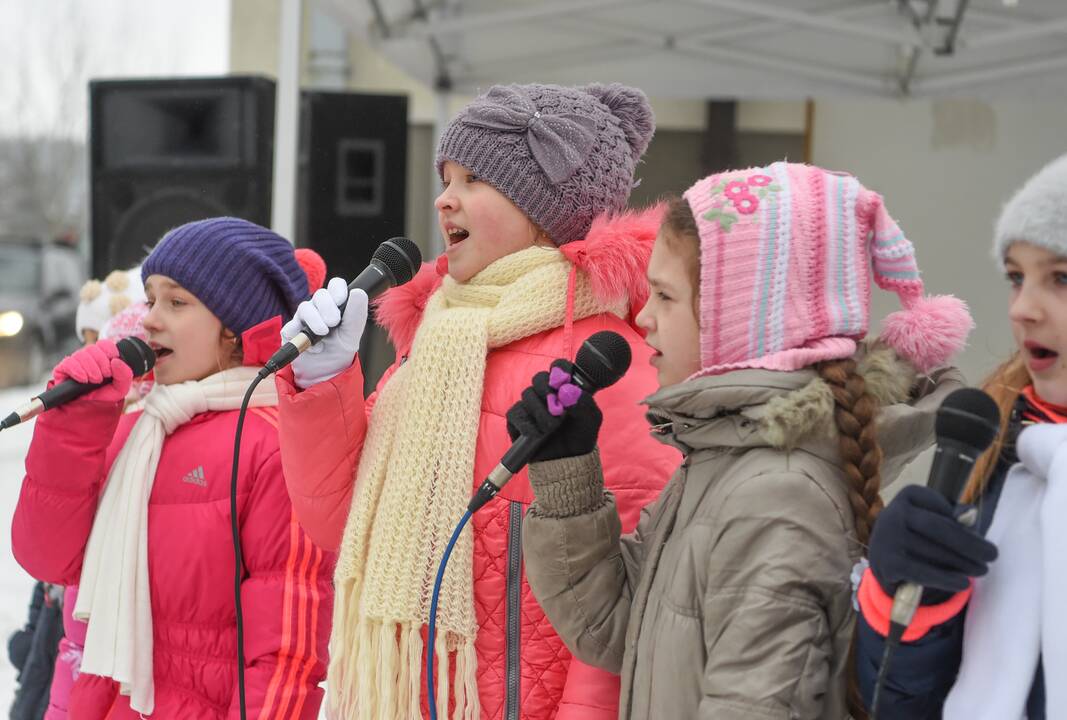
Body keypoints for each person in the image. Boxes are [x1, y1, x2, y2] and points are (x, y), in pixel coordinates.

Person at [276, 83, 680, 719]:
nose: (444, 198)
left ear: (545, 210)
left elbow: (621, 618)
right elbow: (339, 525)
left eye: (474, 179)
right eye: (445, 176)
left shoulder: (608, 368)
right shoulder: (435, 345)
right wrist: (321, 386)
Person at [513, 162, 970, 719]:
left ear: (739, 320)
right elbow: (615, 626)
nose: (644, 316)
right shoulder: (727, 458)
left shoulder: (774, 497)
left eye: (664, 296)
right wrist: (568, 477)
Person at [12, 218, 333, 719]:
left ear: (235, 328)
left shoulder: (275, 442)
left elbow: (286, 652)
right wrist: (71, 430)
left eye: (176, 302)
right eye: (150, 299)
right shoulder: (139, 427)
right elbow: (48, 559)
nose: (150, 320)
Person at [855, 152, 1067, 719]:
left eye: (1061, 278)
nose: (1023, 309)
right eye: (1017, 277)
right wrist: (900, 602)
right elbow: (905, 705)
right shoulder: (1007, 451)